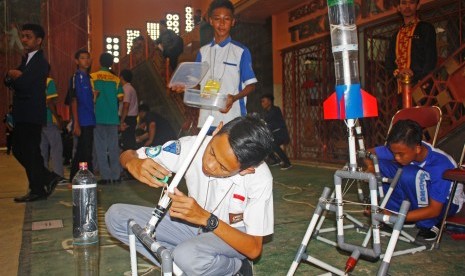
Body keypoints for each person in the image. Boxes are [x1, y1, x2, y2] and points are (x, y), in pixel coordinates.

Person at [105, 114, 274, 275]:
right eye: (212, 152)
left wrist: (207, 219)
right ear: (216, 130)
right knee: (116, 216)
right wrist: (132, 162)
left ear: (246, 170)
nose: (209, 165)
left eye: (223, 168)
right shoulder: (191, 146)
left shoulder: (260, 178)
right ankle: (185, 268)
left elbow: (253, 249)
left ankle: (234, 268)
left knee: (187, 256)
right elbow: (129, 154)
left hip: (233, 236)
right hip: (194, 226)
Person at [365, 119, 465, 243]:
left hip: (446, 204)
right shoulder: (402, 147)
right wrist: (371, 168)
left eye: (400, 154)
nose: (396, 157)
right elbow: (369, 153)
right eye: (393, 153)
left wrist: (396, 217)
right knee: (379, 165)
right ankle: (396, 211)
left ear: (417, 149)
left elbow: (435, 209)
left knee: (409, 174)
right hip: (418, 194)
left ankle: (428, 224)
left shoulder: (440, 164)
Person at [172, 0, 257, 134]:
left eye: (226, 19)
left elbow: (251, 85)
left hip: (231, 119)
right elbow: (196, 85)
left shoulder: (241, 51)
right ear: (211, 21)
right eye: (217, 19)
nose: (222, 24)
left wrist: (233, 98)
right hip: (206, 120)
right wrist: (184, 86)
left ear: (233, 22)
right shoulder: (202, 52)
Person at [4, 23, 61, 202]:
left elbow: (22, 84)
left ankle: (39, 186)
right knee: (21, 150)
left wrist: (15, 76)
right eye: (23, 36)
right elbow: (8, 80)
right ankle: (45, 180)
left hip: (32, 114)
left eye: (28, 36)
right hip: (22, 113)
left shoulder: (41, 63)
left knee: (28, 151)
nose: (24, 40)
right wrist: (14, 76)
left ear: (38, 40)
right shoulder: (26, 60)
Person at [385, 0, 437, 104]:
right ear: (399, 7)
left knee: (422, 118)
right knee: (405, 118)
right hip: (401, 88)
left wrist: (420, 79)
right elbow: (389, 62)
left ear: (418, 6)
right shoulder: (396, 35)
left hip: (423, 87)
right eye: (403, 3)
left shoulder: (426, 28)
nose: (407, 6)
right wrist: (399, 73)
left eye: (411, 2)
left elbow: (431, 58)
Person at [91, 53, 124, 184]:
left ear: (100, 62)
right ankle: (115, 176)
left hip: (98, 116)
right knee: (113, 147)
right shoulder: (116, 80)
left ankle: (105, 177)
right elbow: (121, 98)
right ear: (111, 63)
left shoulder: (92, 77)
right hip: (112, 118)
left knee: (100, 148)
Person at [69, 49, 96, 181]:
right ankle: (79, 178)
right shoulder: (77, 77)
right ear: (76, 61)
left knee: (85, 151)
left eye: (88, 58)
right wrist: (76, 123)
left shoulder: (88, 78)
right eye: (82, 58)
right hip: (82, 120)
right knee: (83, 152)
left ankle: (80, 178)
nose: (86, 60)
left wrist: (94, 96)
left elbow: (89, 100)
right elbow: (74, 100)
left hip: (90, 119)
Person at [40, 76, 64, 178]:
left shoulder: (33, 80)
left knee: (42, 150)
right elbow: (49, 101)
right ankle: (58, 175)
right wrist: (57, 118)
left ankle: (43, 175)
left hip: (37, 120)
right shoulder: (48, 81)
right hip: (49, 118)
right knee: (56, 149)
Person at [260, 94, 292, 170]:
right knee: (265, 144)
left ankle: (287, 163)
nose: (262, 103)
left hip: (281, 134)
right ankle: (275, 160)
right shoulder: (267, 113)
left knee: (273, 145)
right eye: (261, 102)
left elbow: (268, 122)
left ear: (269, 101)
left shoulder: (275, 110)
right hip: (274, 135)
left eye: (264, 101)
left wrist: (262, 122)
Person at [119, 69, 138, 151]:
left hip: (127, 118)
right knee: (129, 140)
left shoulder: (126, 89)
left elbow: (126, 105)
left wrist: (122, 121)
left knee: (127, 142)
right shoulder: (131, 88)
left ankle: (128, 161)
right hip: (131, 118)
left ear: (121, 77)